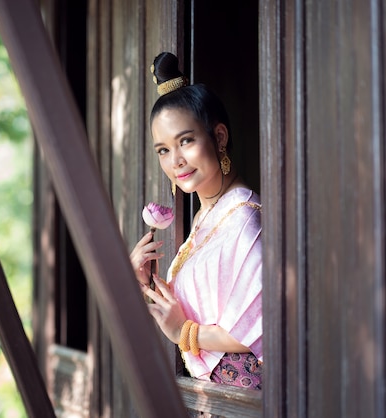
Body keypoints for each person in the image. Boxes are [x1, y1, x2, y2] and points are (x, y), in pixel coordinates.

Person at [130, 52, 263, 389]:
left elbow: (263, 328)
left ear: (219, 138)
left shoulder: (246, 220)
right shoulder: (208, 216)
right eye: (163, 149)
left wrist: (183, 333)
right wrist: (147, 287)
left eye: (185, 140)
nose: (176, 160)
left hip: (243, 402)